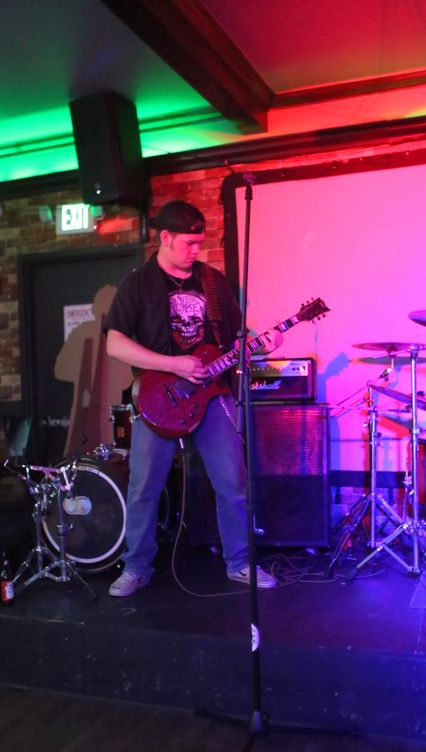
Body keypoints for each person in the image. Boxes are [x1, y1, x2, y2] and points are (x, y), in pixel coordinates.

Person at [104, 199, 283, 596]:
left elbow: (236, 338)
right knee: (144, 487)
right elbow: (115, 344)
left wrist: (263, 344)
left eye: (199, 243)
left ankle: (240, 563)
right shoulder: (139, 283)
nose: (195, 251)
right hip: (158, 398)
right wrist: (173, 364)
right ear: (165, 238)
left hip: (213, 394)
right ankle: (136, 567)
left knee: (232, 482)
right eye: (189, 243)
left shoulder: (213, 282)